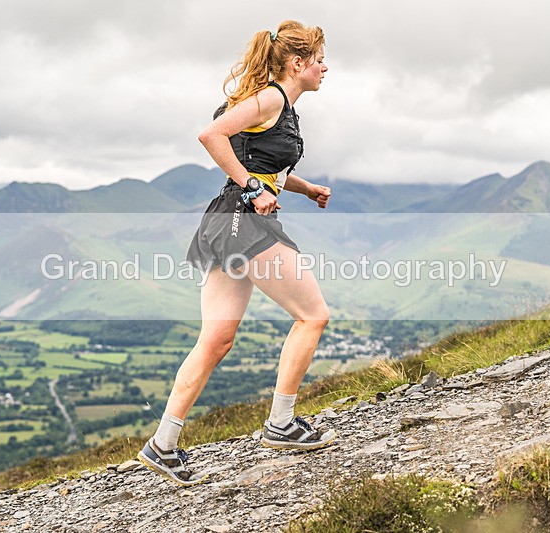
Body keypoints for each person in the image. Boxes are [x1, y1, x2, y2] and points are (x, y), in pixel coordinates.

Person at [137, 20, 334, 487]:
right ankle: (281, 424)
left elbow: (260, 163)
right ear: (297, 63)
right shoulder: (271, 98)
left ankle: (162, 444)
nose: (325, 68)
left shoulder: (278, 106)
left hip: (227, 221)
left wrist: (304, 189)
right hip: (243, 220)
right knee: (313, 316)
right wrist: (251, 186)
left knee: (216, 341)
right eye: (320, 59)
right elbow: (212, 136)